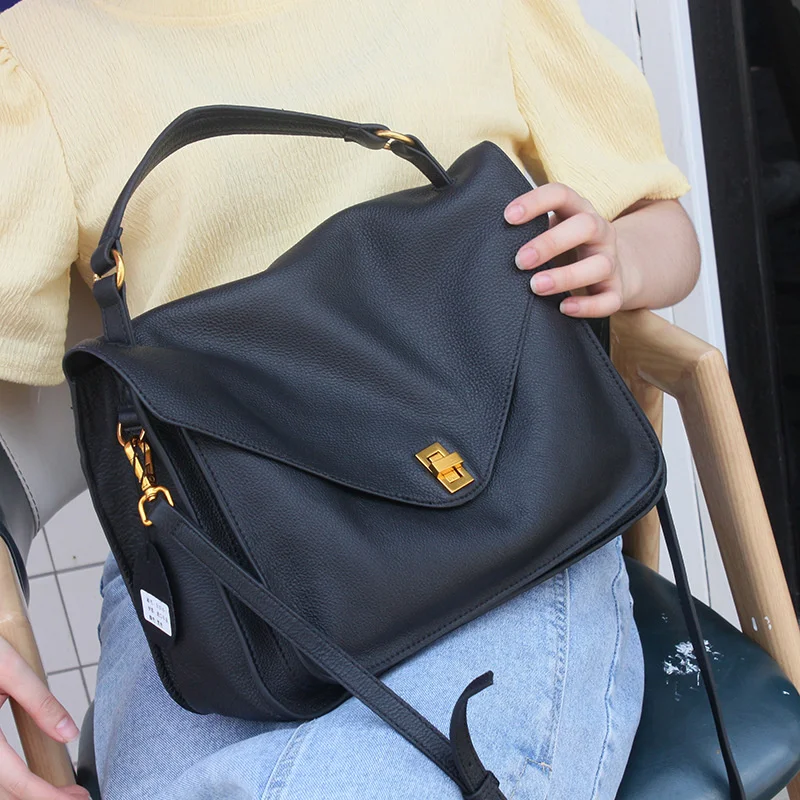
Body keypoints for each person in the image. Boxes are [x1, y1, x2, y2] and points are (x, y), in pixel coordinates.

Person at [0, 0, 700, 797]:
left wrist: (618, 256)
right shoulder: (38, 63)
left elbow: (661, 225)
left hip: (510, 510)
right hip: (215, 559)